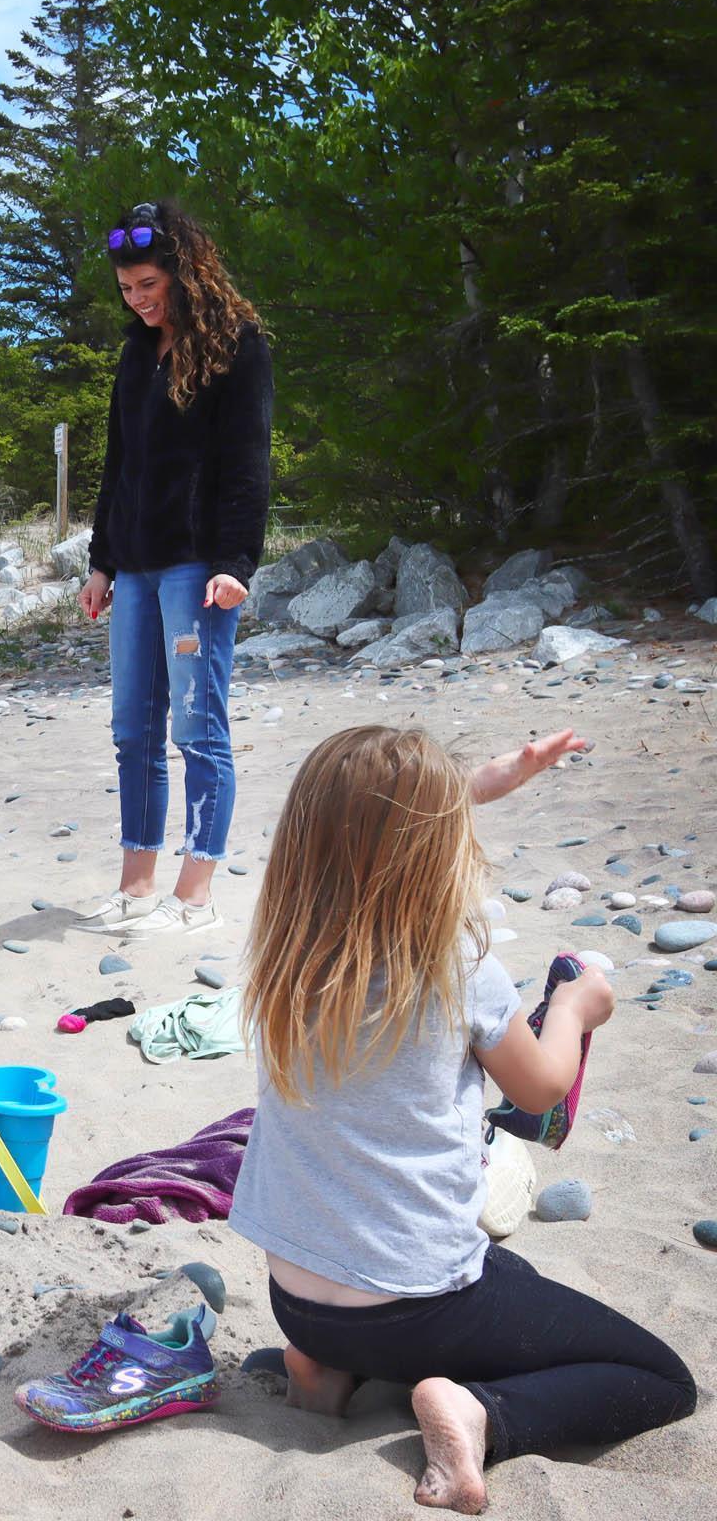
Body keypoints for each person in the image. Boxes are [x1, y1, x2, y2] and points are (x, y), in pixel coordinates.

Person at [229, 725, 695, 1513]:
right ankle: (481, 1414)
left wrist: (491, 781)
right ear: (433, 848)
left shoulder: (288, 945)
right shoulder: (452, 964)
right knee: (659, 1378)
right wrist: (577, 1007)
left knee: (517, 1285)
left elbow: (359, 827)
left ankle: (324, 1369)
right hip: (414, 1309)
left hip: (297, 1298)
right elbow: (542, 1089)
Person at [74, 200, 272, 937]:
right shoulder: (134, 353)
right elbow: (117, 465)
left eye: (149, 284)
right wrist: (101, 563)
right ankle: (137, 887)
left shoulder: (239, 348)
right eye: (128, 289)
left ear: (186, 274)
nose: (139, 299)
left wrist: (235, 563)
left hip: (198, 571)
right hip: (135, 568)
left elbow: (249, 466)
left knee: (197, 728)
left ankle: (195, 895)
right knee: (132, 729)